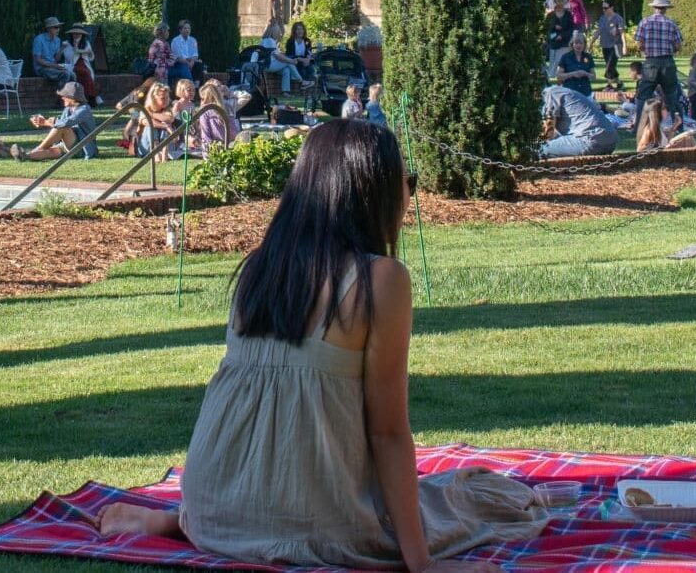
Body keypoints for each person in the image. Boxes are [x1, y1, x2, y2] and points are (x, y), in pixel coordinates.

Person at [98, 121, 546, 567]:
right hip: (310, 519)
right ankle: (201, 520)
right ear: (374, 192)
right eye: (406, 182)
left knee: (440, 496)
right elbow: (387, 432)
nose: (409, 193)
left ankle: (179, 520)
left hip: (214, 504)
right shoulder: (380, 280)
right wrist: (422, 565)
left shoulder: (258, 268)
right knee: (475, 500)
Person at [13, 83, 98, 161]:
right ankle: (25, 156)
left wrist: (46, 122)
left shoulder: (84, 109)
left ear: (72, 97)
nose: (62, 98)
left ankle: (38, 149)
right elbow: (58, 125)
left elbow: (66, 123)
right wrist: (43, 122)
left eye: (64, 96)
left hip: (83, 148)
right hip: (67, 145)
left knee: (61, 127)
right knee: (51, 152)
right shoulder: (68, 109)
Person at [634, 0, 684, 112]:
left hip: (651, 62)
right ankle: (678, 126)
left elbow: (639, 44)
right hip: (667, 62)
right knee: (671, 96)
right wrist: (671, 49)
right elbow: (678, 46)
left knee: (643, 96)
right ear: (666, 8)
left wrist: (645, 50)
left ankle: (638, 126)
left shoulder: (645, 22)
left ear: (654, 7)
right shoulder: (671, 23)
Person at [540, 84, 619, 158]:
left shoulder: (549, 94)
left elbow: (548, 131)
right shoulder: (560, 91)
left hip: (589, 141)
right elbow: (554, 134)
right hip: (610, 142)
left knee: (537, 149)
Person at [190, 79, 240, 156]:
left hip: (215, 146)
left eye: (202, 98)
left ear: (205, 97)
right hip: (231, 143)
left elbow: (206, 135)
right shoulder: (228, 106)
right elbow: (234, 129)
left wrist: (207, 154)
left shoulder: (205, 111)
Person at [267, 21, 315, 94]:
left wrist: (307, 59)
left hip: (302, 61)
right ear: (294, 31)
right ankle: (302, 83)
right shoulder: (288, 41)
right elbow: (282, 55)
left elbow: (309, 53)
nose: (300, 31)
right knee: (292, 63)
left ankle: (286, 92)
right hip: (290, 61)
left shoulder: (307, 41)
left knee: (307, 68)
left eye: (301, 29)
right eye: (298, 29)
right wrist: (298, 59)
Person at [135, 82, 180, 160]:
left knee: (165, 122)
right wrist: (165, 126)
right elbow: (146, 122)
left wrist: (151, 114)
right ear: (153, 98)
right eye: (163, 98)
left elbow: (169, 119)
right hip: (147, 147)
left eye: (167, 97)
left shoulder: (167, 109)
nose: (166, 100)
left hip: (166, 146)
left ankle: (164, 154)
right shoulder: (146, 109)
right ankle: (156, 153)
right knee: (150, 126)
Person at [65, 25, 102, 105]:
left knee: (86, 73)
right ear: (72, 34)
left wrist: (86, 52)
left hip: (84, 64)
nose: (77, 36)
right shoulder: (67, 44)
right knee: (84, 73)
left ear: (82, 35)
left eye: (79, 34)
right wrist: (75, 48)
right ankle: (93, 97)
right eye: (75, 34)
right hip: (73, 65)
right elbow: (68, 58)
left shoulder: (86, 43)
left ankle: (89, 98)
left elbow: (91, 57)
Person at [30, 16, 74, 82]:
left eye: (59, 27)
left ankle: (71, 92)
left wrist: (62, 48)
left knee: (73, 75)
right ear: (48, 28)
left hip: (52, 67)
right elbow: (38, 60)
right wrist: (55, 66)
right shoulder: (39, 39)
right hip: (41, 69)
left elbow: (56, 59)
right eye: (56, 27)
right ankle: (60, 92)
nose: (58, 29)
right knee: (66, 74)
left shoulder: (57, 40)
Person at [594, 0, 627, 86]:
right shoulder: (602, 18)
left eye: (605, 8)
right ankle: (619, 83)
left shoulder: (618, 18)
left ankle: (609, 85)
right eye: (603, 8)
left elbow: (622, 33)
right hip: (604, 45)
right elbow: (598, 32)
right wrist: (591, 43)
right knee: (610, 66)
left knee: (609, 66)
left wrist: (624, 46)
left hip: (615, 46)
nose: (604, 10)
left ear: (612, 7)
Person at [555, 31, 595, 96]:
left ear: (584, 44)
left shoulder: (588, 57)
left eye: (581, 43)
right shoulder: (565, 57)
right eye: (576, 43)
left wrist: (585, 73)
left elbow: (593, 77)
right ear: (572, 44)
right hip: (570, 92)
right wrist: (572, 74)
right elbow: (558, 75)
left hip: (586, 92)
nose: (578, 45)